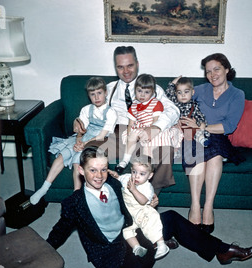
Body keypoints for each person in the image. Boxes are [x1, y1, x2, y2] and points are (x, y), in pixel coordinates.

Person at [46, 145, 252, 268]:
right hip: (111, 250)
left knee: (172, 217)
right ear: (81, 171)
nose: (99, 176)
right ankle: (158, 241)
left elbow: (137, 191)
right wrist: (43, 250)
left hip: (132, 227)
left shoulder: (112, 181)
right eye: (92, 170)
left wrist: (151, 201)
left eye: (103, 169)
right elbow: (60, 231)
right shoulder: (73, 204)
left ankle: (222, 250)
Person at [75, 46, 180, 194]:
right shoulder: (109, 89)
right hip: (116, 134)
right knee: (90, 152)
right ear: (115, 68)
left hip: (145, 134)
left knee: (165, 151)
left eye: (130, 65)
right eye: (120, 67)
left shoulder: (151, 87)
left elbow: (174, 110)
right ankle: (100, 197)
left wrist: (155, 128)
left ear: (137, 64)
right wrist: (79, 124)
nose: (126, 71)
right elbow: (91, 111)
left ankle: (149, 199)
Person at [180, 53, 245, 234]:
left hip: (217, 135)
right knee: (197, 156)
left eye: (216, 69)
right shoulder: (200, 90)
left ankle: (208, 206)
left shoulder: (237, 94)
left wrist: (202, 126)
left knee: (215, 157)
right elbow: (178, 100)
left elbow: (230, 126)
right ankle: (195, 205)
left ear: (226, 69)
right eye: (208, 71)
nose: (212, 74)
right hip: (192, 136)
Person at [30, 77, 117, 205]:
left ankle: (77, 193)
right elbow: (81, 130)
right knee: (63, 154)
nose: (97, 97)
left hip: (99, 140)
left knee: (78, 159)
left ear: (105, 93)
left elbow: (102, 135)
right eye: (93, 94)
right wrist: (78, 141)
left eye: (99, 93)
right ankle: (44, 187)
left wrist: (84, 145)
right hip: (84, 138)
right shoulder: (86, 109)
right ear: (89, 96)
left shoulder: (111, 112)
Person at [116, 73, 182, 173]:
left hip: (153, 129)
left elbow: (155, 122)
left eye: (146, 92)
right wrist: (131, 136)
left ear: (152, 92)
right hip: (140, 128)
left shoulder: (156, 103)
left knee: (148, 146)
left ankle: (148, 167)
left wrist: (146, 134)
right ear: (135, 90)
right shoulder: (134, 105)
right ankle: (124, 160)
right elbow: (131, 123)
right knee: (131, 135)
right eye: (139, 91)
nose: (142, 95)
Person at [110, 155, 169, 260]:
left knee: (152, 221)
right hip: (128, 214)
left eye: (142, 174)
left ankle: (161, 245)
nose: (136, 176)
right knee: (125, 230)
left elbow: (143, 201)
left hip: (141, 211)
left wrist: (134, 190)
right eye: (134, 172)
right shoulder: (127, 178)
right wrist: (116, 176)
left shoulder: (147, 187)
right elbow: (119, 179)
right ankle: (137, 247)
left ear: (150, 176)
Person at [166, 75, 210, 147]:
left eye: (186, 92)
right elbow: (168, 94)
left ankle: (201, 139)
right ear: (176, 93)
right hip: (177, 128)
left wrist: (201, 124)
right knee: (171, 133)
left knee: (196, 131)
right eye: (179, 92)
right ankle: (175, 150)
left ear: (192, 92)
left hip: (189, 128)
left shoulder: (194, 105)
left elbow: (199, 116)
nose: (183, 95)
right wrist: (173, 83)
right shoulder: (174, 102)